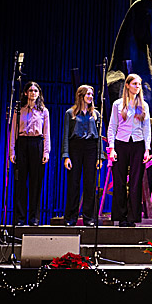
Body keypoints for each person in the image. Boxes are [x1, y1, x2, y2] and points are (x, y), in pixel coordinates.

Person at [107, 73, 152, 227]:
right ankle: (121, 216)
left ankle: (132, 217)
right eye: (134, 84)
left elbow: (146, 129)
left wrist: (147, 149)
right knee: (119, 181)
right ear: (127, 85)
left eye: (139, 84)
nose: (137, 87)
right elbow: (112, 127)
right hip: (121, 143)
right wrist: (112, 148)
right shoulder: (118, 104)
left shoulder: (143, 105)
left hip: (138, 144)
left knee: (135, 181)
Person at [9, 81, 51, 226]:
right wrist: (12, 150)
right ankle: (19, 218)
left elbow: (46, 133)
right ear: (26, 93)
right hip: (22, 144)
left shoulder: (43, 111)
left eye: (35, 91)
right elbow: (13, 131)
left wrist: (46, 151)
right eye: (31, 90)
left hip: (36, 143)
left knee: (36, 183)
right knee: (20, 182)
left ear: (39, 94)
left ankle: (34, 218)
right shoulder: (18, 110)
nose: (33, 93)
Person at [63, 84, 105, 227]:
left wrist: (100, 156)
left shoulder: (96, 114)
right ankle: (70, 218)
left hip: (91, 148)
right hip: (75, 147)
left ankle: (89, 218)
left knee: (90, 184)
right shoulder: (70, 113)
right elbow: (66, 136)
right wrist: (66, 155)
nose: (90, 97)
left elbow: (99, 136)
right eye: (88, 94)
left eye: (92, 94)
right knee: (73, 183)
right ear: (81, 95)